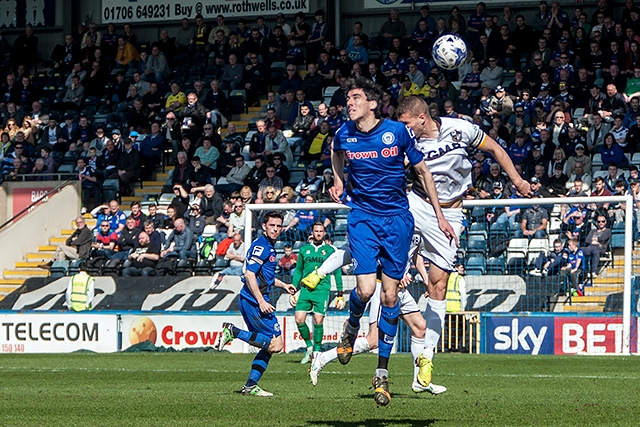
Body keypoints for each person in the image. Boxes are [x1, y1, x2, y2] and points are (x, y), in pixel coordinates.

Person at [321, 77, 455, 407]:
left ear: (372, 104)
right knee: (366, 291)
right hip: (362, 217)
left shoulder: (396, 132)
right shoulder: (344, 133)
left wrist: (439, 216)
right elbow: (335, 153)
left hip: (397, 220)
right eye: (347, 98)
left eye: (355, 97)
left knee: (391, 294)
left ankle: (382, 372)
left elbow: (423, 173)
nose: (349, 102)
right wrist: (338, 180)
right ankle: (351, 327)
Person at [215, 212, 297, 397]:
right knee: (276, 345)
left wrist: (283, 285)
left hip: (251, 299)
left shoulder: (268, 246)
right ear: (264, 227)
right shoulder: (262, 246)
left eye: (278, 226)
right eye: (272, 225)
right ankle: (233, 332)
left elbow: (263, 276)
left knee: (270, 345)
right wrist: (261, 301)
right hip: (254, 301)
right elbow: (250, 275)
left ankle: (250, 386)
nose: (276, 229)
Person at [290, 223, 343, 364]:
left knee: (318, 320)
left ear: (325, 233)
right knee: (299, 319)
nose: (318, 233)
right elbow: (298, 271)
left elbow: (337, 271)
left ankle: (317, 352)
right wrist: (293, 288)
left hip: (322, 289)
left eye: (321, 231)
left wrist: (340, 292)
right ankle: (309, 347)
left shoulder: (330, 250)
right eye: (316, 231)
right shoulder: (304, 249)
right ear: (312, 233)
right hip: (306, 289)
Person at [581, 214, 612, 279]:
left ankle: (593, 271)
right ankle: (585, 270)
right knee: (580, 250)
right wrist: (595, 241)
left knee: (595, 250)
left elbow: (603, 238)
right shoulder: (593, 231)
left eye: (603, 221)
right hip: (590, 247)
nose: (601, 223)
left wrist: (595, 240)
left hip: (601, 248)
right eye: (599, 221)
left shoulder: (608, 231)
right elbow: (587, 240)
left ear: (605, 222)